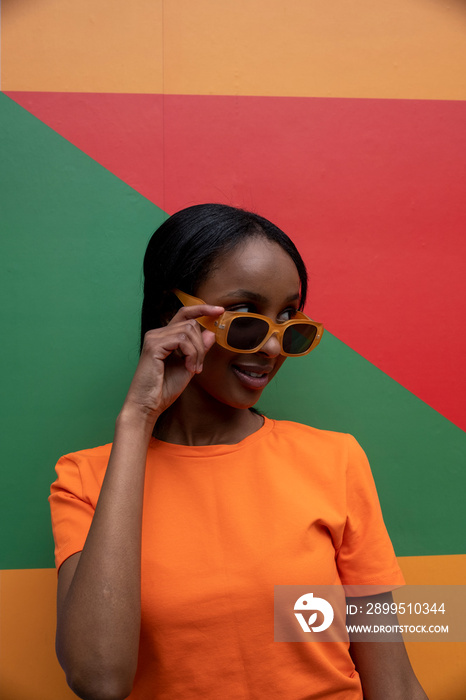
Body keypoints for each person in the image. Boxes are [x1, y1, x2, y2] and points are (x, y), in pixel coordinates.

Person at [49, 203, 428, 700]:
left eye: (288, 319)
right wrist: (137, 418)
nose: (271, 348)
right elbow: (99, 678)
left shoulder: (336, 460)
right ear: (174, 315)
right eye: (246, 317)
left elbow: (393, 682)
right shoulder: (85, 479)